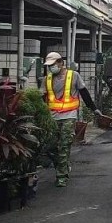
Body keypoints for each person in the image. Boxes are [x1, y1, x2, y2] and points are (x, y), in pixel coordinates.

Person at [41, 52, 103, 187]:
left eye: (52, 65)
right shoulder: (47, 79)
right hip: (52, 117)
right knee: (50, 147)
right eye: (49, 66)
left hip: (69, 116)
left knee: (64, 145)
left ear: (60, 63)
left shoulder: (73, 76)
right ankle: (63, 166)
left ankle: (61, 177)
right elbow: (42, 98)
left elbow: (84, 93)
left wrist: (94, 109)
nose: (51, 68)